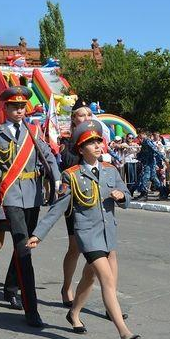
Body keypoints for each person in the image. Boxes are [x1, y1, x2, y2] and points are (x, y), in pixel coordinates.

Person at [27, 120, 142, 339]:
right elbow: (57, 208)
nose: (98, 145)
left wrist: (122, 196)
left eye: (99, 140)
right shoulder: (72, 175)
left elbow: (127, 198)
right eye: (91, 142)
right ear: (81, 149)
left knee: (89, 278)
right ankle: (124, 332)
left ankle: (74, 313)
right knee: (107, 281)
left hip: (108, 235)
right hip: (87, 235)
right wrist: (38, 234)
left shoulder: (111, 171)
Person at [0, 86, 61, 329]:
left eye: (22, 107)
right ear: (5, 108)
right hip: (11, 197)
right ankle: (31, 308)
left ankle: (11, 287)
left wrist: (56, 179)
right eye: (14, 107)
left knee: (24, 246)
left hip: (33, 196)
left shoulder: (34, 131)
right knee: (23, 248)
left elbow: (49, 157)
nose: (19, 111)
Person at [57, 98, 93, 307]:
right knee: (75, 248)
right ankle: (67, 287)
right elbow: (69, 165)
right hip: (75, 202)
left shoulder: (97, 139)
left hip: (96, 202)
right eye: (82, 114)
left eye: (89, 114)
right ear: (73, 119)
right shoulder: (67, 143)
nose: (86, 118)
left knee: (103, 253)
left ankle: (109, 302)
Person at [135, 131, 165, 201]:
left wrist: (163, 158)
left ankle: (144, 194)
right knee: (153, 177)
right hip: (148, 161)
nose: (139, 136)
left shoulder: (147, 141)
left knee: (145, 177)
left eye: (140, 134)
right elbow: (143, 152)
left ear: (144, 134)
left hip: (149, 162)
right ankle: (163, 191)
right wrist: (138, 157)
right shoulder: (144, 142)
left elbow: (155, 150)